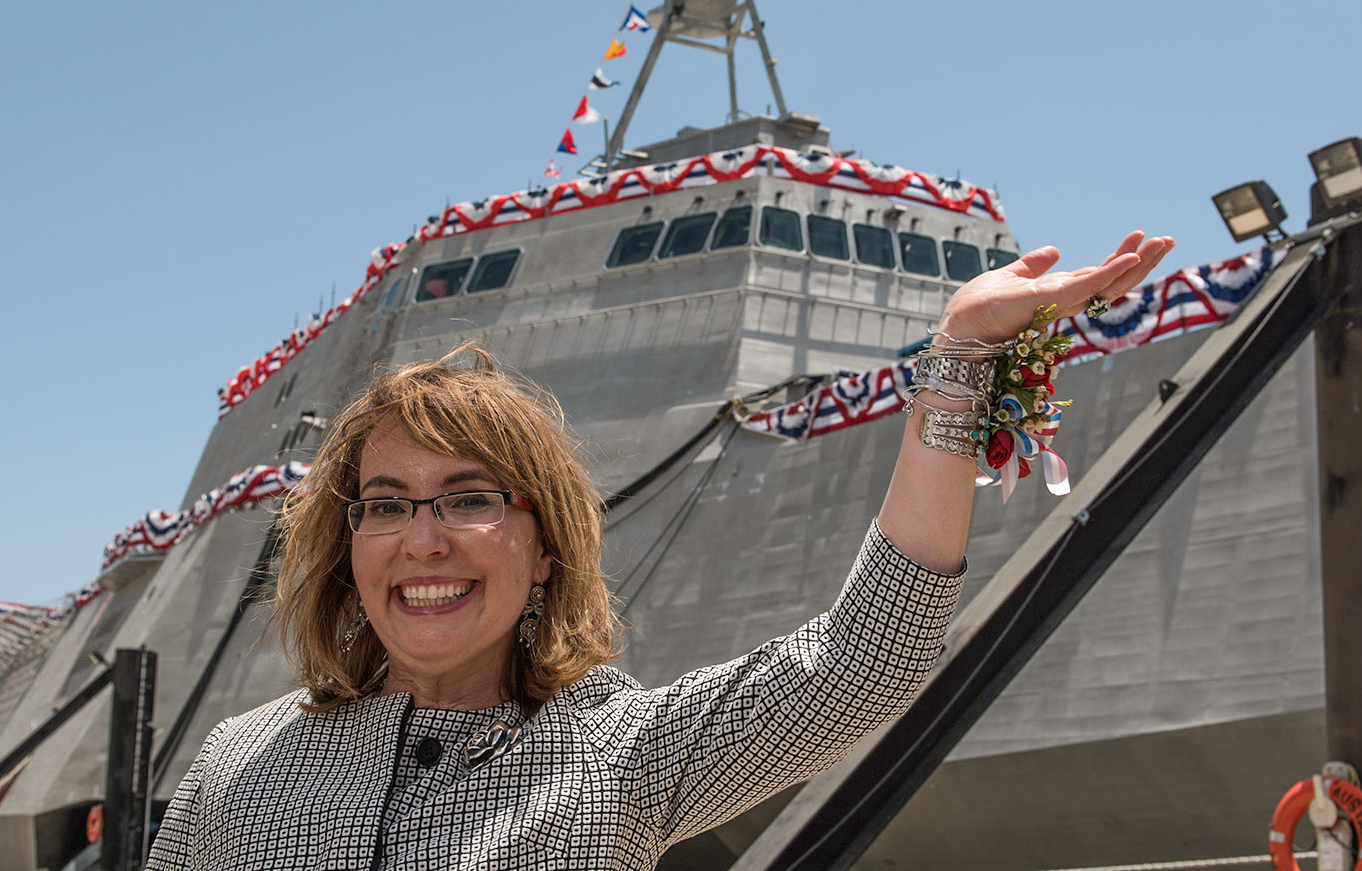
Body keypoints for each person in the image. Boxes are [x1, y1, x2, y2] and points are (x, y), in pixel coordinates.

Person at [147, 232, 1174, 871]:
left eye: (469, 499)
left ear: (544, 547)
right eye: (385, 505)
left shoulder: (618, 756)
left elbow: (869, 662)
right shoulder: (235, 764)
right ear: (348, 543)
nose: (423, 539)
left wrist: (959, 361)